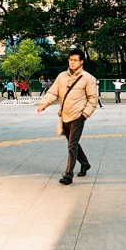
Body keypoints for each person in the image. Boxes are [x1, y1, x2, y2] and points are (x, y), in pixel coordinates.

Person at [37, 48, 98, 185]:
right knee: (73, 143)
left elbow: (93, 99)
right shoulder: (62, 76)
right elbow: (53, 92)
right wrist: (43, 104)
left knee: (71, 145)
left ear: (81, 62)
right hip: (64, 116)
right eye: (71, 60)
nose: (72, 62)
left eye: (75, 60)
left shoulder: (88, 79)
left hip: (78, 116)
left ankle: (68, 175)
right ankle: (85, 163)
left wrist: (84, 114)